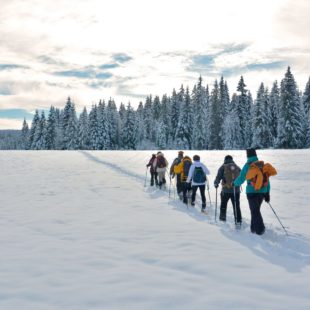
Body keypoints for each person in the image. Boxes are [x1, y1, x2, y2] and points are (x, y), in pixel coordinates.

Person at [233, 148, 276, 235]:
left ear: (248, 156)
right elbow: (267, 180)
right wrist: (267, 193)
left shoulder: (247, 165)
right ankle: (253, 229)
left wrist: (234, 183)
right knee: (255, 210)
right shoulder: (261, 164)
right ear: (255, 155)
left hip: (251, 192)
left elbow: (241, 178)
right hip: (262, 192)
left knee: (255, 210)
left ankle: (260, 230)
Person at [214, 155, 242, 226]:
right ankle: (238, 220)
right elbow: (241, 177)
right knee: (236, 206)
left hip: (225, 191)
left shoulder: (223, 167)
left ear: (225, 159)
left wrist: (216, 183)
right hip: (236, 191)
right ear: (232, 159)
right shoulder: (237, 167)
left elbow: (218, 177)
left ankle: (222, 219)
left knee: (223, 204)